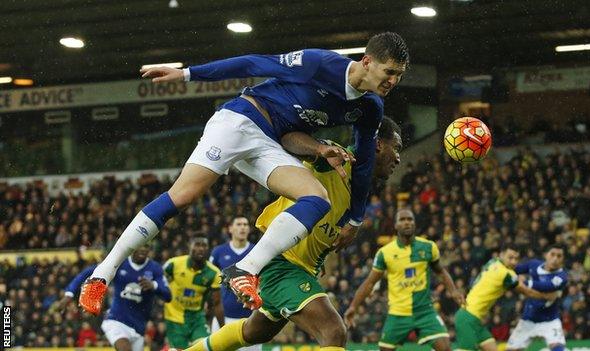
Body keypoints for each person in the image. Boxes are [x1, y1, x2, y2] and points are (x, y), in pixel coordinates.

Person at [80, 32, 409, 314]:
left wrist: (353, 218)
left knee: (317, 198)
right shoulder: (319, 64)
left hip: (269, 143)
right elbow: (253, 63)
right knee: (183, 196)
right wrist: (187, 75)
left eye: (399, 75)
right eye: (389, 71)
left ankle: (245, 269)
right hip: (239, 121)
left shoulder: (370, 108)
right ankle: (101, 275)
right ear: (367, 62)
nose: (393, 81)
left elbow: (363, 163)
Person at [172, 116, 402, 351]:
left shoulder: (358, 193)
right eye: (396, 148)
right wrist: (319, 149)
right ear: (378, 144)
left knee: (254, 332)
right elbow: (289, 139)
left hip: (301, 268)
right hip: (281, 265)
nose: (398, 157)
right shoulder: (338, 160)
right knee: (333, 331)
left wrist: (317, 252)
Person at [343, 209, 464, 351]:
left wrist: (453, 291)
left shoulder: (428, 247)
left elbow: (441, 272)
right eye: (402, 219)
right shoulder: (385, 253)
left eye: (410, 219)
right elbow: (370, 282)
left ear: (414, 223)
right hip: (398, 313)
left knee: (445, 348)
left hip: (425, 311)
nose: (407, 222)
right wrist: (353, 306)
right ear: (395, 225)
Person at [58, 244, 171, 351]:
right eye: (140, 245)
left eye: (146, 246)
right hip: (116, 320)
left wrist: (154, 285)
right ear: (133, 246)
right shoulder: (120, 263)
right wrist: (69, 293)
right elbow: (87, 272)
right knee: (125, 348)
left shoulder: (156, 269)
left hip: (139, 327)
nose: (143, 249)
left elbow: (168, 295)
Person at [454, 244, 558, 351]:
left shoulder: (493, 262)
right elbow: (528, 292)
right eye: (510, 257)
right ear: (502, 255)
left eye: (516, 258)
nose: (513, 261)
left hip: (474, 319)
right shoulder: (505, 274)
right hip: (468, 318)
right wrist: (547, 297)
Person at [208, 217, 260, 351]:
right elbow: (209, 281)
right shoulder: (218, 252)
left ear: (249, 229)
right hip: (224, 317)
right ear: (230, 229)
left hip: (252, 318)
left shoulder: (258, 251)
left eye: (245, 224)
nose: (242, 227)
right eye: (239, 224)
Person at [163, 236, 224, 349]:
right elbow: (160, 284)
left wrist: (223, 328)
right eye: (197, 244)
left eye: (204, 245)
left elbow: (217, 303)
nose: (201, 248)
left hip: (197, 319)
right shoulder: (173, 264)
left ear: (208, 249)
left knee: (205, 347)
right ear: (189, 246)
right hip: (174, 319)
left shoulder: (214, 273)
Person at [506, 245, 568, 351]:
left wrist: (525, 282)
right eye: (552, 254)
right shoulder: (533, 265)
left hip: (550, 320)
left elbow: (547, 286)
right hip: (528, 319)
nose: (555, 259)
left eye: (559, 256)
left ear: (563, 259)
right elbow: (514, 269)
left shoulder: (562, 276)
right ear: (545, 255)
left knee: (558, 348)